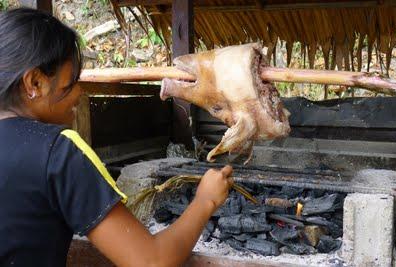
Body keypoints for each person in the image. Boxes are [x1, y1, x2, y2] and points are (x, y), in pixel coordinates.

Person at [0, 7, 233, 267]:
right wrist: (205, 200)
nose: (79, 94)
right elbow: (151, 261)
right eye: (71, 83)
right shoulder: (58, 150)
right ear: (34, 83)